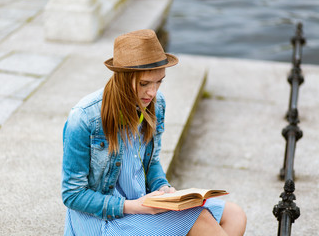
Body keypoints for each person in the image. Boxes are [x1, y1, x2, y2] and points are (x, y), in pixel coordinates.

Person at [61, 29, 246, 235]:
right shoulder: (85, 118)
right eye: (144, 83)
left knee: (235, 215)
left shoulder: (156, 106)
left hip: (143, 203)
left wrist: (164, 188)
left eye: (159, 81)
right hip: (103, 218)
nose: (153, 92)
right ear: (123, 78)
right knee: (201, 220)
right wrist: (136, 206)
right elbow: (73, 194)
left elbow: (152, 163)